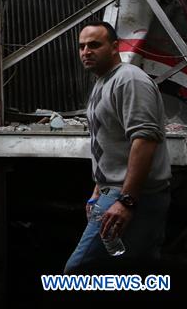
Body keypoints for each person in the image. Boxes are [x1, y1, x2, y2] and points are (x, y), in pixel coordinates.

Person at [64, 21, 171, 273]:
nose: (86, 52)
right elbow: (108, 144)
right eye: (82, 46)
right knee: (132, 272)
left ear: (115, 47)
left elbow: (144, 140)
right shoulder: (103, 82)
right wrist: (97, 190)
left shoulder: (129, 80)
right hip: (113, 192)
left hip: (132, 194)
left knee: (76, 271)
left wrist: (127, 201)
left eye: (94, 45)